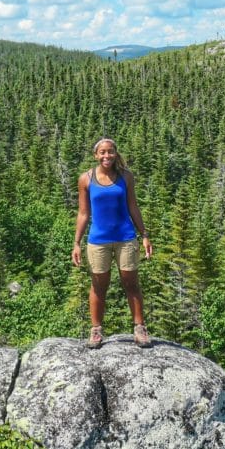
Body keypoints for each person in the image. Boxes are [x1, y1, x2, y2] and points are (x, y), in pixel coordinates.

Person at [71, 138, 154, 348]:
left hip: (126, 238)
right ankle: (96, 330)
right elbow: (83, 213)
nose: (106, 156)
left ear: (115, 154)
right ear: (96, 155)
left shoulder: (125, 177)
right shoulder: (86, 179)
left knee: (131, 282)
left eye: (110, 152)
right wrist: (77, 242)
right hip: (98, 241)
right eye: (102, 152)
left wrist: (144, 234)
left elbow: (133, 207)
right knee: (99, 285)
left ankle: (139, 328)